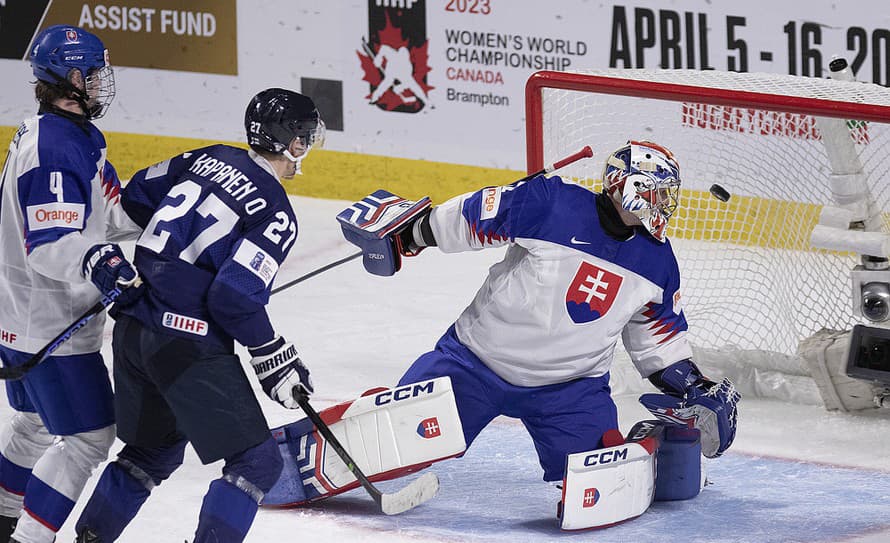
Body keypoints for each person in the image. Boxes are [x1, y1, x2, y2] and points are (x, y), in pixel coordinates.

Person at [338, 140, 740, 488]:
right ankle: (378, 417)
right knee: (393, 443)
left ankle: (654, 447)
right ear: (631, 188)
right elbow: (476, 216)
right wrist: (413, 233)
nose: (666, 205)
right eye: (659, 193)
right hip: (473, 365)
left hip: (570, 391)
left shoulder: (658, 261)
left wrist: (691, 384)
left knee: (606, 478)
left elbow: (659, 338)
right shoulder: (551, 202)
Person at [73, 88, 323, 543]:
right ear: (289, 141)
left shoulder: (207, 157)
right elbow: (234, 298)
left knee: (153, 451)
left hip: (132, 328)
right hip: (185, 346)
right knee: (257, 461)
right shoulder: (276, 211)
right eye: (303, 138)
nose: (304, 148)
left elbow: (134, 199)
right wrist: (271, 352)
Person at [0, 25, 141, 543]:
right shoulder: (56, 146)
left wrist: (165, 208)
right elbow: (54, 243)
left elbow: (100, 212)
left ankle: (3, 518)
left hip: (21, 315)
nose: (102, 83)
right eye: (95, 73)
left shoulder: (65, 132)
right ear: (72, 77)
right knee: (88, 438)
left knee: (36, 423)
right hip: (50, 322)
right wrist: (103, 263)